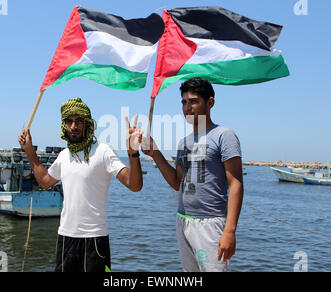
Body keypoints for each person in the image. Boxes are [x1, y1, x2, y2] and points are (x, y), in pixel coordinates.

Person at [18, 97, 143, 272]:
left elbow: (134, 185)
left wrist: (133, 153)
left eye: (79, 121)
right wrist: (29, 150)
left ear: (87, 123)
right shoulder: (64, 155)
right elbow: (45, 182)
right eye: (69, 121)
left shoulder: (103, 151)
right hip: (66, 237)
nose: (74, 126)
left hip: (95, 241)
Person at [142, 77, 244, 272]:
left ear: (210, 102)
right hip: (183, 219)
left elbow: (236, 184)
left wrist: (230, 231)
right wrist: (155, 154)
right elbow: (176, 182)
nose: (187, 107)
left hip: (211, 222)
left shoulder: (224, 135)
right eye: (184, 102)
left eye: (194, 101)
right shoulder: (184, 142)